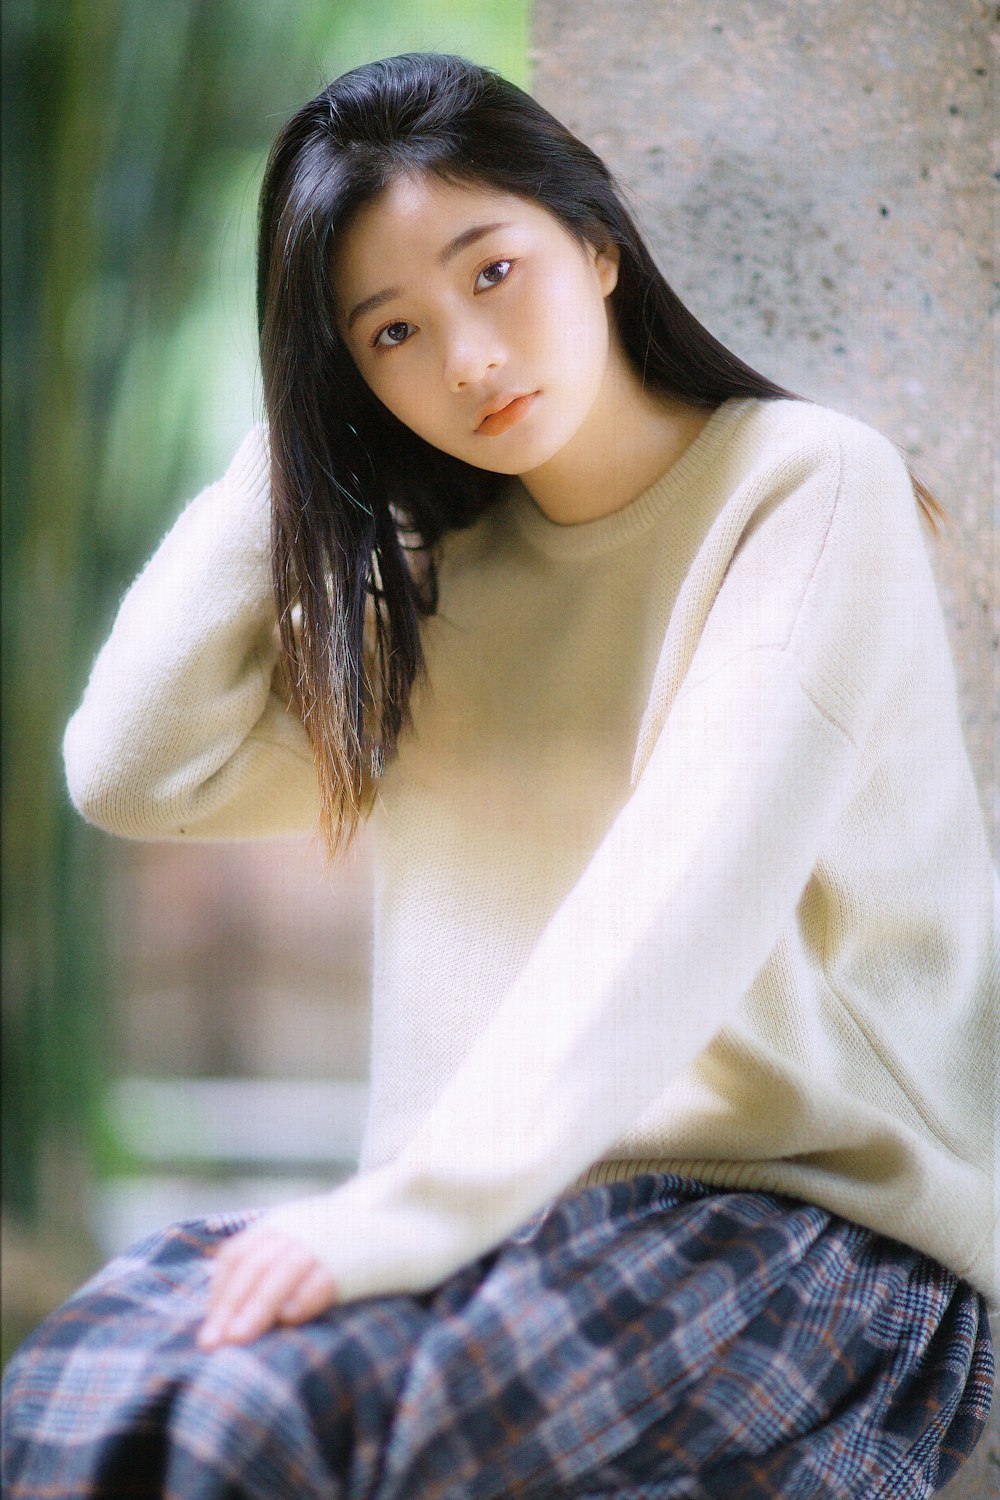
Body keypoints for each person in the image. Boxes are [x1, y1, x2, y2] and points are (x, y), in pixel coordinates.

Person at [3, 50, 995, 1500]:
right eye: (390, 331)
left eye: (491, 272)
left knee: (260, 1428)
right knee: (86, 1391)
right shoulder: (443, 583)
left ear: (595, 245)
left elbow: (683, 887)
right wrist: (301, 443)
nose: (464, 359)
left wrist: (411, 1215)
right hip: (495, 1231)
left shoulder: (803, 487)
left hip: (802, 1226)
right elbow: (132, 768)